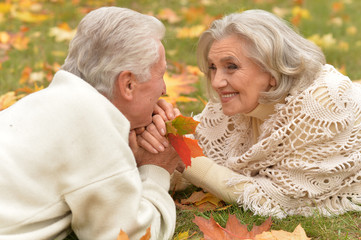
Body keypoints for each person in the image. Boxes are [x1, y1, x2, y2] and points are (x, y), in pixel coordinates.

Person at [138, 9, 361, 219]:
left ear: (273, 71)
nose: (216, 82)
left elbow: (279, 199)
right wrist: (154, 136)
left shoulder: (322, 105)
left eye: (231, 67)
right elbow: (198, 155)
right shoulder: (235, 106)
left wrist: (183, 154)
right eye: (213, 67)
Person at [0, 7, 182, 240]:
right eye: (161, 75)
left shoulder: (43, 104)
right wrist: (157, 168)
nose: (164, 89)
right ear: (128, 84)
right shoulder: (93, 125)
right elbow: (129, 235)